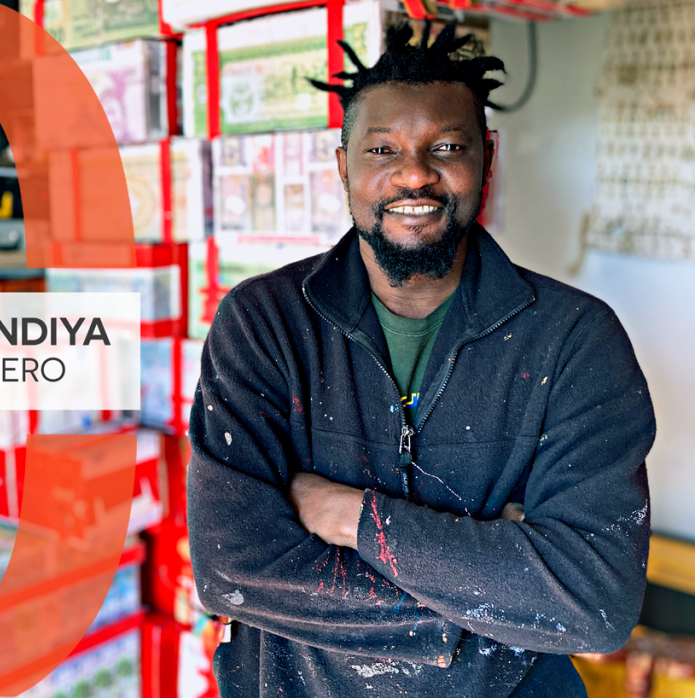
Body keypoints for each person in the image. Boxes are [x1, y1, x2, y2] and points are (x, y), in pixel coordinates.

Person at [187, 21, 656, 698]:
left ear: (488, 158)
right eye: (382, 148)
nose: (414, 173)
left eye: (447, 146)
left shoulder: (575, 339)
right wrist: (489, 600)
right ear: (341, 163)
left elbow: (595, 605)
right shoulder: (264, 323)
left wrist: (353, 519)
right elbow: (232, 569)